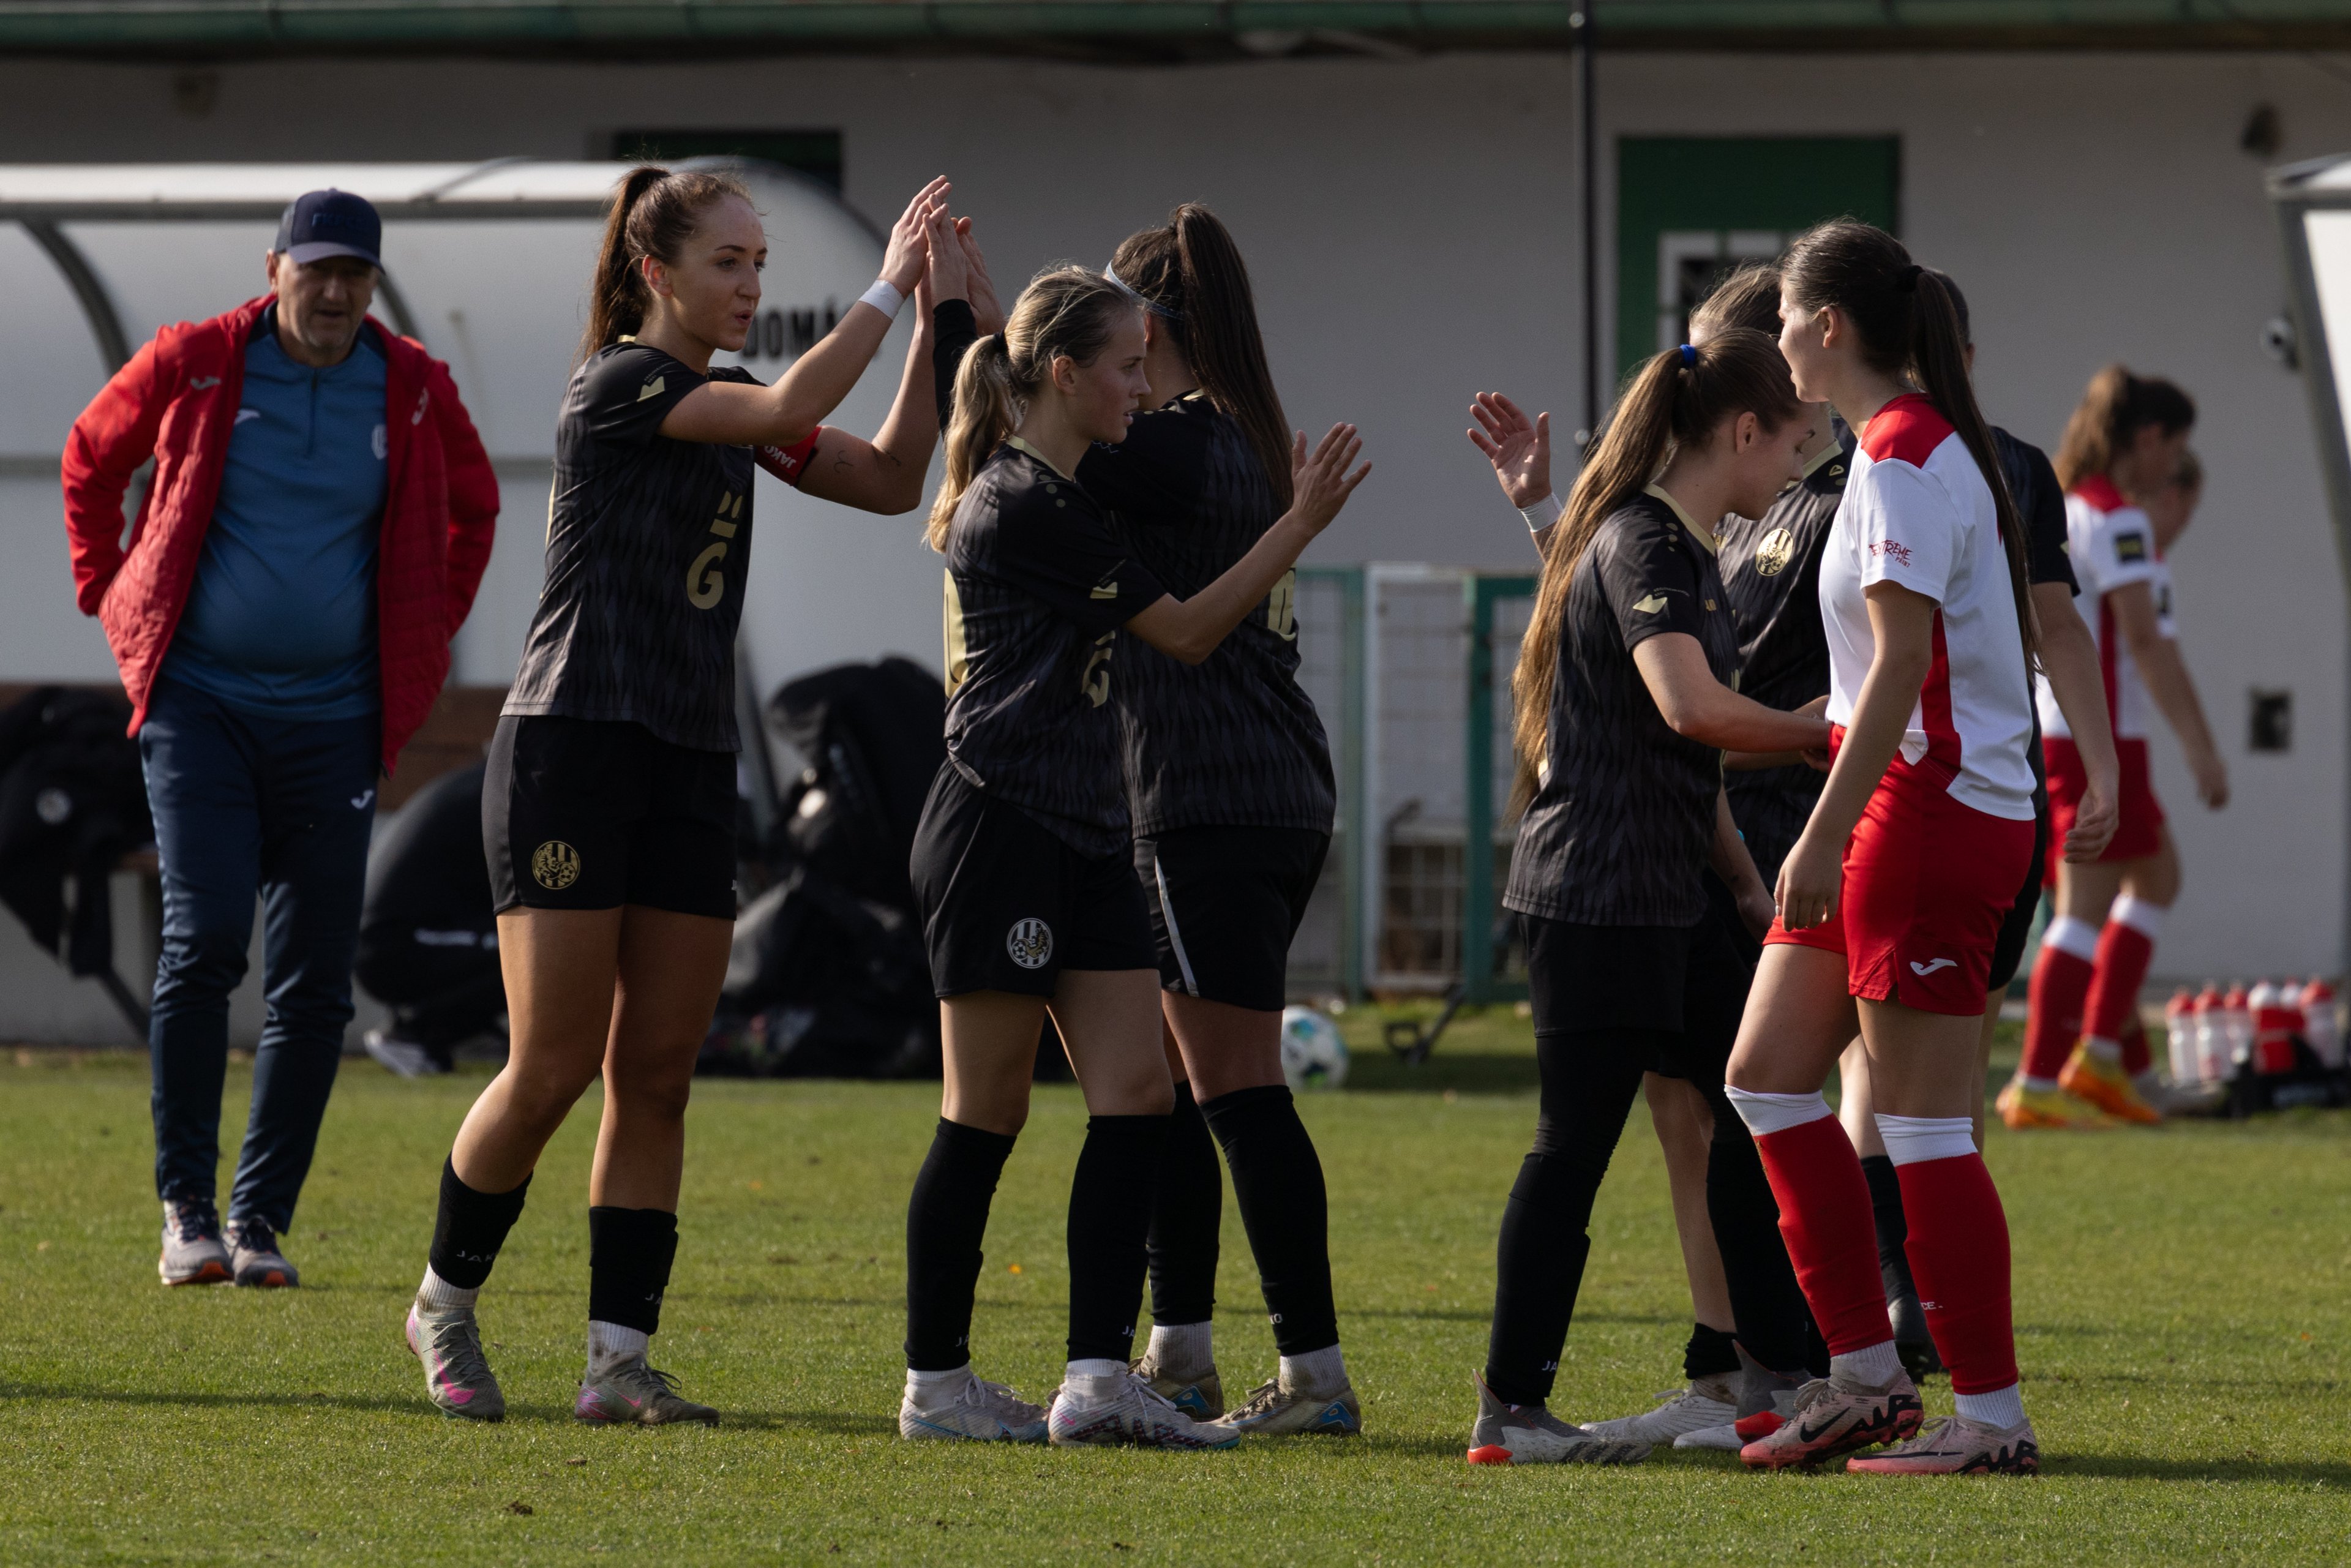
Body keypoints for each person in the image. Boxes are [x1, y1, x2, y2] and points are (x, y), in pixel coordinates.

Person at [402, 165, 960, 1426]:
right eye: (728, 262)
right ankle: (444, 1296)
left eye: (760, 263)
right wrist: (886, 284)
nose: (750, 284)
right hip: (572, 751)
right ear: (656, 272)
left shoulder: (729, 409)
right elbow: (795, 399)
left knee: (656, 1070)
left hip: (689, 762)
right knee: (551, 1065)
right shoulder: (626, 384)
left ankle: (618, 1361)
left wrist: (935, 321)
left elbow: (890, 477)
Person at [898, 263, 1367, 1450]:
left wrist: (977, 318)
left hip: (1093, 830)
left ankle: (1100, 1380)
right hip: (1002, 828)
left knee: (1141, 1097)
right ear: (1066, 374)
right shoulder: (1023, 502)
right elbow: (1191, 631)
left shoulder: (1071, 488)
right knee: (985, 1110)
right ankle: (936, 1384)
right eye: (1125, 366)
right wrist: (1298, 524)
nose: (1143, 388)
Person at [61, 188, 498, 1291]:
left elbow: (477, 508)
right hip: (200, 707)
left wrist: (426, 626)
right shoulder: (198, 361)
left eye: (355, 274)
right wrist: (109, 590)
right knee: (206, 939)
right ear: (275, 271)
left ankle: (257, 1223)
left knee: (314, 979)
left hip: (336, 720)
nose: (336, 293)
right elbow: (89, 457)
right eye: (318, 271)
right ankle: (187, 1211)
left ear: (373, 284)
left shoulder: (411, 384)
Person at [1465, 268, 1836, 1454]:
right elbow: (1689, 708)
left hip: (1670, 896)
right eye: (1793, 442)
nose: (1797, 465)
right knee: (1575, 1147)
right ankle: (1511, 1407)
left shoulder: (1679, 543)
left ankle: (1775, 1374)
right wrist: (1827, 730)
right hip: (1600, 899)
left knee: (1753, 1104)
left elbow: (1683, 753)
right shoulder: (1646, 542)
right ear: (1742, 431)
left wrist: (1740, 877)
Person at [1724, 220, 2044, 1477]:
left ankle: (1993, 1419)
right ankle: (1863, 1377)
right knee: (1766, 1077)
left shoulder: (1909, 455)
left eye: (1785, 321)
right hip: (1896, 807)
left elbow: (1907, 665)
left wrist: (1820, 832)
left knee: (1923, 1128)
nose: (1775, 343)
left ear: (1831, 326)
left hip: (1931, 814)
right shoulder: (1889, 448)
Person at [1825, 269, 2120, 1378]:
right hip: (1979, 797)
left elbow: (1909, 651)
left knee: (1878, 1076)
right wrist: (2099, 768)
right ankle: (1915, 1311)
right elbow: (2059, 631)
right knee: (1934, 1075)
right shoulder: (1992, 462)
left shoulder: (1886, 458)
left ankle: (1905, 1309)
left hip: (1917, 798)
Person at [2003, 367, 2225, 1128]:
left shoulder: (2070, 503)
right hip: (2099, 734)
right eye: (2177, 446)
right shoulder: (2119, 518)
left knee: (2152, 878)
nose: (2176, 464)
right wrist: (2201, 747)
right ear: (2150, 438)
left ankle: (2104, 1057)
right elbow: (2146, 642)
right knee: (2088, 909)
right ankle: (2045, 1076)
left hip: (2067, 730)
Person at [356, 760, 503, 1078]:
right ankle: (414, 1032)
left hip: (403, 936)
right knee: (536, 948)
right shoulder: (507, 791)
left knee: (536, 940)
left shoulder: (491, 780)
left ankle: (471, 1030)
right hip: (393, 945)